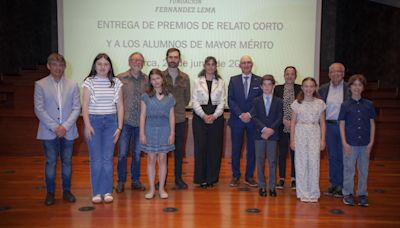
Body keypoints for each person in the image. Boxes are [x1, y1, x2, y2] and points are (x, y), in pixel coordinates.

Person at [34, 53, 81, 206]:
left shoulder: (73, 84)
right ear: (48, 66)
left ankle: (66, 191)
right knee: (51, 163)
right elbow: (39, 109)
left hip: (68, 132)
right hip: (49, 132)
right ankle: (50, 193)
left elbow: (76, 108)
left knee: (67, 162)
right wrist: (55, 127)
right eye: (54, 64)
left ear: (64, 67)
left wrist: (65, 126)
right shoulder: (40, 84)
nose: (58, 68)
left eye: (61, 65)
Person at [82, 53, 124, 204]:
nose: (102, 67)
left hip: (111, 122)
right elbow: (85, 105)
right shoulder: (89, 82)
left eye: (106, 64)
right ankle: (96, 192)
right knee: (96, 159)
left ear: (110, 67)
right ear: (95, 66)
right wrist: (87, 126)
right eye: (99, 64)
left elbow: (120, 106)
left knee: (107, 159)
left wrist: (119, 127)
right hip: (94, 122)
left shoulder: (116, 82)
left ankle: (107, 191)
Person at [339, 74, 376, 207]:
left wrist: (371, 142)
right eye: (354, 84)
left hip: (365, 144)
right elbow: (342, 124)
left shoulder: (369, 105)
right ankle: (348, 193)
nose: (357, 87)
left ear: (363, 88)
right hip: (350, 143)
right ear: (349, 87)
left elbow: (372, 124)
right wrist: (344, 142)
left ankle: (362, 194)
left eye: (359, 85)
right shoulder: (345, 105)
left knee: (363, 170)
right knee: (349, 169)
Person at [140, 68, 176, 199]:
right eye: (153, 79)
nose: (155, 81)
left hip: (165, 130)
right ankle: (151, 189)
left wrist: (172, 133)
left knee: (162, 159)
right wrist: (142, 133)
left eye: (158, 78)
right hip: (149, 130)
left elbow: (172, 117)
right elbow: (143, 115)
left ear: (162, 79)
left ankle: (161, 189)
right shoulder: (145, 96)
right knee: (150, 159)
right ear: (150, 81)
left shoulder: (170, 97)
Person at [227, 55, 262, 187]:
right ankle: (235, 176)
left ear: (252, 65)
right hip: (237, 120)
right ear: (239, 65)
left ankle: (249, 176)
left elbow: (260, 100)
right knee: (236, 149)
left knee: (251, 150)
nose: (246, 65)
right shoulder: (233, 80)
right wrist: (240, 114)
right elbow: (230, 99)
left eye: (248, 63)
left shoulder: (259, 80)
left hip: (253, 121)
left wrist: (250, 114)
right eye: (243, 63)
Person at [290, 77, 326, 203]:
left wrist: (323, 140)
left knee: (313, 162)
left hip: (314, 132)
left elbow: (322, 122)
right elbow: (293, 122)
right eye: (306, 86)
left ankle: (313, 192)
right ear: (302, 87)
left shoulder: (320, 103)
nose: (308, 89)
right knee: (301, 163)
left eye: (311, 86)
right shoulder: (297, 103)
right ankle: (302, 192)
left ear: (315, 88)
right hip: (300, 132)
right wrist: (292, 140)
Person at [116, 52, 147, 193]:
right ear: (129, 62)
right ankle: (121, 181)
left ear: (143, 63)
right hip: (124, 123)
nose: (137, 62)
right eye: (134, 60)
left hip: (141, 124)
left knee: (136, 154)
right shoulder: (119, 79)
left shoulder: (147, 80)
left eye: (140, 60)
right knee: (122, 154)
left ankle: (135, 180)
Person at [191, 56, 225, 188]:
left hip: (216, 119)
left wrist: (214, 116)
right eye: (208, 64)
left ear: (216, 67)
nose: (210, 67)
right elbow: (194, 101)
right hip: (200, 118)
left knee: (214, 149)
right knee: (201, 148)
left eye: (213, 64)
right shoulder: (197, 81)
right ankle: (201, 179)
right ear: (204, 66)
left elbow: (222, 101)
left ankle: (212, 179)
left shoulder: (221, 82)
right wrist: (204, 115)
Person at [319, 62, 350, 197]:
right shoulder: (323, 89)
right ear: (329, 74)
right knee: (332, 156)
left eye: (339, 72)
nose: (335, 74)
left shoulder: (350, 88)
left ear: (343, 74)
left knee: (344, 156)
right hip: (329, 126)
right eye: (333, 72)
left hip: (345, 126)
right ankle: (333, 184)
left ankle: (342, 185)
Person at [250, 75, 283, 197]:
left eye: (270, 84)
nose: (267, 87)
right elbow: (254, 116)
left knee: (272, 161)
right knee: (260, 161)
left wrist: (271, 130)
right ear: (261, 86)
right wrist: (264, 129)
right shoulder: (256, 100)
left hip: (273, 136)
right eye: (264, 84)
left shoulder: (279, 101)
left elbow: (279, 117)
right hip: (260, 135)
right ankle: (262, 186)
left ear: (274, 86)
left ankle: (272, 186)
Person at [163, 48, 191, 189]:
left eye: (175, 57)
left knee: (179, 151)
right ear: (166, 59)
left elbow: (186, 100)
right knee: (163, 152)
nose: (173, 60)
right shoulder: (160, 76)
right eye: (170, 57)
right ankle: (162, 179)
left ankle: (178, 179)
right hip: (162, 120)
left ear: (179, 60)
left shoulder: (185, 77)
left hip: (179, 119)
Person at [273, 66, 302, 190]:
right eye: (287, 74)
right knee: (282, 153)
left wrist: (294, 122)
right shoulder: (278, 89)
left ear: (295, 76)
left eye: (292, 74)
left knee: (296, 153)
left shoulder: (301, 89)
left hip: (297, 127)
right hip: (282, 126)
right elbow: (275, 107)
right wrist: (283, 120)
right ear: (284, 75)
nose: (289, 76)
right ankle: (281, 178)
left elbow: (303, 107)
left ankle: (294, 178)